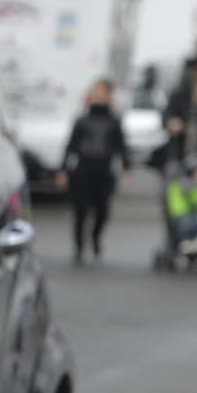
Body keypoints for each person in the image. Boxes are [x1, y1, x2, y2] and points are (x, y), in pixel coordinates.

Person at [62, 77, 128, 265]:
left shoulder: (114, 121)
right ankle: (79, 247)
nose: (99, 96)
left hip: (104, 169)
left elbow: (121, 145)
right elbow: (71, 145)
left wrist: (126, 165)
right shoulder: (82, 120)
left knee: (102, 210)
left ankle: (95, 236)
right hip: (83, 169)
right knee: (80, 210)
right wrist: (64, 169)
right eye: (96, 92)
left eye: (103, 93)